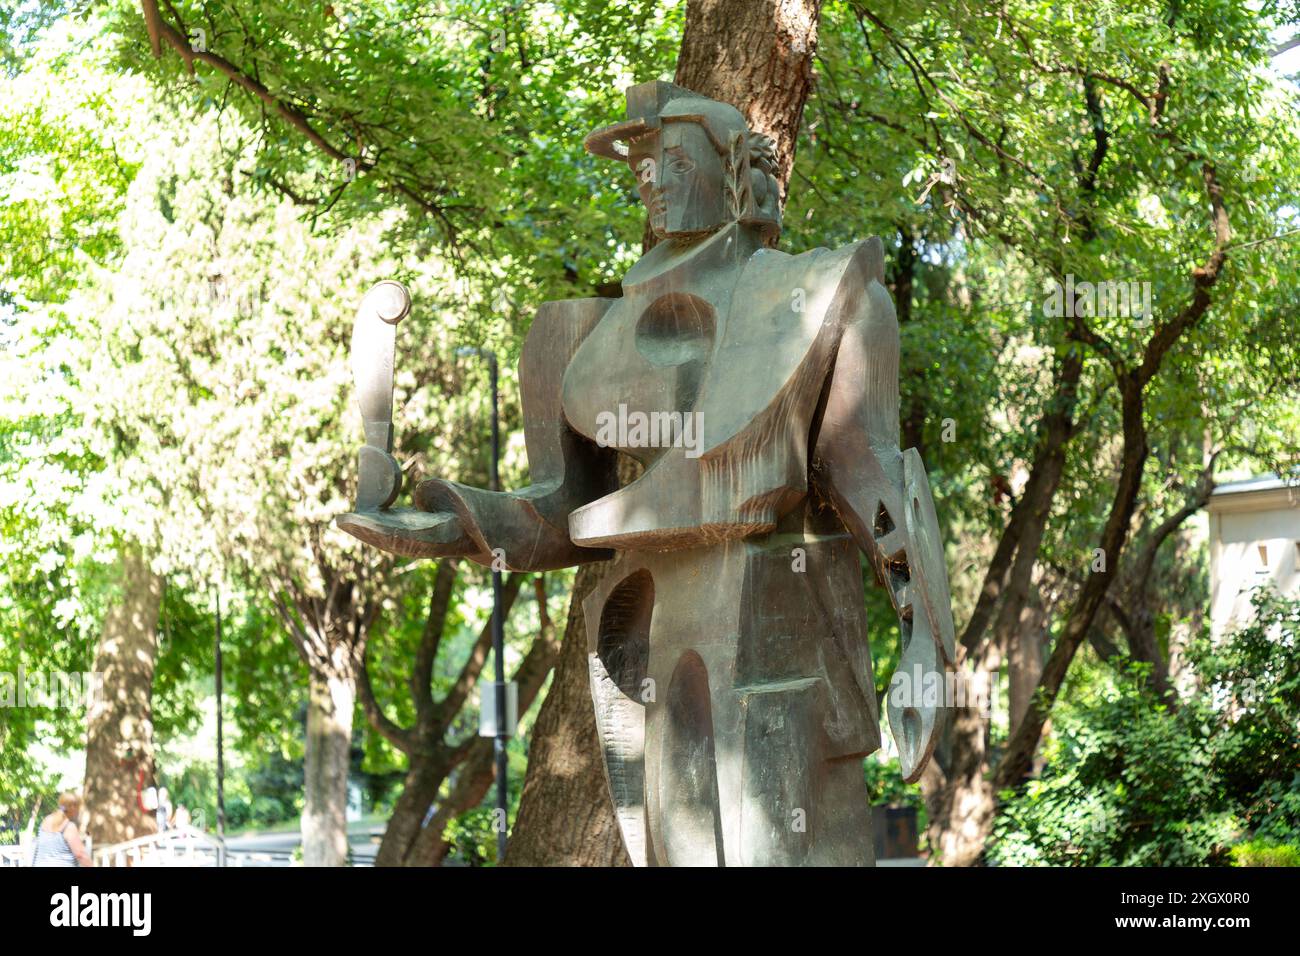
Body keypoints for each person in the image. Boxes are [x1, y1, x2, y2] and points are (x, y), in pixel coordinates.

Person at [30, 792, 92, 867]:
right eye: (79, 808)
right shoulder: (68, 827)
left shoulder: (46, 820)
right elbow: (80, 854)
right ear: (74, 808)